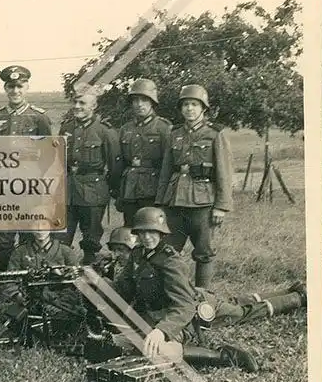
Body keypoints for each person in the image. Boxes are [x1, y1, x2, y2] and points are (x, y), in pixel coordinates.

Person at [85, 207, 263, 371]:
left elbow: (185, 306)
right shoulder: (138, 255)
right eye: (143, 232)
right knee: (119, 344)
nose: (147, 237)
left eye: (152, 231)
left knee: (243, 312)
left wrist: (162, 331)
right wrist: (97, 281)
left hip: (187, 314)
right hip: (152, 317)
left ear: (162, 233)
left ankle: (225, 356)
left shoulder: (171, 261)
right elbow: (123, 290)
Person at [155, 84, 234, 288]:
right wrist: (160, 201)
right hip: (175, 201)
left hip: (203, 201)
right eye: (185, 105)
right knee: (168, 251)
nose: (189, 109)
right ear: (181, 109)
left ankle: (203, 298)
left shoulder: (215, 134)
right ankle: (174, 294)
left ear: (203, 108)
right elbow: (166, 169)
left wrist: (221, 206)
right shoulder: (174, 133)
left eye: (194, 104)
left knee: (204, 252)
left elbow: (224, 172)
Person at [0, 65, 52, 272]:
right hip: (3, 189)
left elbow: (48, 154)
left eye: (19, 86)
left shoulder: (39, 117)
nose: (15, 91)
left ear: (27, 87)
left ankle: (27, 280)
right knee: (4, 238)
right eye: (11, 87)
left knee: (27, 235)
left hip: (29, 188)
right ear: (5, 89)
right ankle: (5, 282)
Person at [0, 231, 86, 351]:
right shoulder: (21, 251)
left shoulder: (64, 251)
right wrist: (18, 296)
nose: (40, 231)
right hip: (28, 300)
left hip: (60, 301)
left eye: (44, 227)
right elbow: (10, 280)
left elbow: (78, 280)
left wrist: (61, 275)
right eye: (36, 227)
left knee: (77, 316)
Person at [58, 85, 122, 265]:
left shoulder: (105, 131)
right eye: (75, 102)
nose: (77, 106)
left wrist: (108, 188)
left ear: (94, 106)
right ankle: (61, 283)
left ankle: (89, 284)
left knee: (91, 242)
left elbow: (115, 166)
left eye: (82, 103)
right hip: (68, 192)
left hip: (93, 192)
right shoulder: (66, 128)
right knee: (61, 240)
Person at [115, 79, 172, 227]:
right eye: (135, 100)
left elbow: (169, 162)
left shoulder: (163, 128)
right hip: (129, 188)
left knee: (151, 228)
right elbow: (119, 162)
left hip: (153, 189)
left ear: (152, 102)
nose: (139, 104)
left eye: (144, 100)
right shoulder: (125, 129)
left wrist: (164, 194)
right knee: (130, 230)